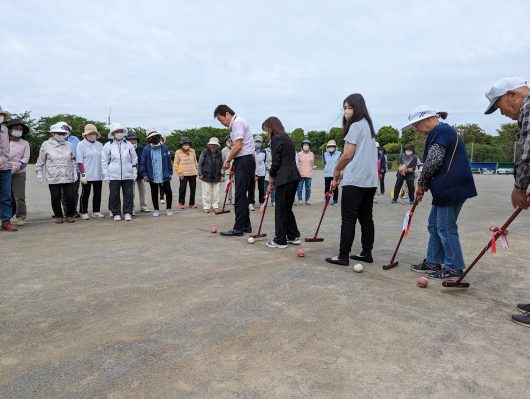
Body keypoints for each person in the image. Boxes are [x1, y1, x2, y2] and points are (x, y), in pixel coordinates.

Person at [405, 105, 476, 280]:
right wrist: (425, 184)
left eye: (417, 125)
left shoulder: (441, 131)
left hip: (451, 187)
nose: (416, 129)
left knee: (445, 227)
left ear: (429, 119)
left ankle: (454, 267)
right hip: (445, 188)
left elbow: (433, 161)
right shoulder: (440, 132)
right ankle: (433, 260)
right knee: (434, 224)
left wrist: (421, 183)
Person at [483, 77, 530, 327]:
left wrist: (520, 187)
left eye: (499, 106)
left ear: (513, 95)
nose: (501, 113)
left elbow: (528, 152)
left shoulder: (529, 108)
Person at [325, 93, 378, 266]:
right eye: (345, 108)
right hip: (369, 182)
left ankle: (343, 255)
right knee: (366, 218)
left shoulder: (355, 126)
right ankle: (366, 252)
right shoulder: (369, 128)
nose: (346, 111)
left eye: (349, 107)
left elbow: (347, 154)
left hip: (355, 180)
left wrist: (337, 170)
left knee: (348, 219)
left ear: (358, 108)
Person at [214, 104, 256, 236]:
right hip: (245, 160)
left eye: (221, 120)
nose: (222, 123)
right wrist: (234, 164)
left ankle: (238, 228)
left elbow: (238, 146)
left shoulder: (237, 122)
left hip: (245, 160)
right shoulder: (237, 123)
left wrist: (227, 161)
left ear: (227, 114)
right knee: (242, 195)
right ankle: (246, 226)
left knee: (239, 196)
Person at [262, 117, 301, 248]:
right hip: (294, 177)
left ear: (271, 128)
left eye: (266, 130)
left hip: (284, 178)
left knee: (280, 209)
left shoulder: (276, 139)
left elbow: (276, 161)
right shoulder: (288, 138)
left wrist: (271, 177)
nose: (266, 133)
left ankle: (280, 240)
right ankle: (293, 235)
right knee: (287, 208)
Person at [35, 123, 78, 223]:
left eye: (63, 133)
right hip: (53, 175)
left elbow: (73, 159)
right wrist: (39, 172)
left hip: (67, 174)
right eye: (59, 133)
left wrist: (75, 172)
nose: (61, 135)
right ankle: (58, 215)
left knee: (70, 196)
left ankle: (70, 214)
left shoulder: (69, 145)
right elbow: (41, 160)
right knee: (55, 197)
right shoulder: (45, 145)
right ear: (53, 134)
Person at [102, 122, 138, 221]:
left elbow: (134, 159)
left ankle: (127, 212)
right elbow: (104, 162)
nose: (119, 133)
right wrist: (106, 175)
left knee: (129, 194)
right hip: (113, 175)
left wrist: (134, 171)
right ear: (113, 133)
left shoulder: (129, 144)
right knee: (114, 195)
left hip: (128, 174)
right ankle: (116, 213)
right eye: (117, 131)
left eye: (120, 131)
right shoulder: (108, 146)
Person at [140, 128, 173, 216]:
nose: (154, 138)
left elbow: (169, 161)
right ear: (149, 139)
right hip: (152, 175)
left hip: (164, 174)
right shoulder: (146, 149)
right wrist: (144, 174)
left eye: (156, 136)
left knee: (168, 191)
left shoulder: (164, 148)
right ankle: (156, 209)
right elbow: (142, 163)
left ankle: (169, 208)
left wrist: (170, 172)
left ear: (159, 137)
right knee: (154, 192)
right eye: (152, 137)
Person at [76, 124, 105, 220]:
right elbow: (79, 161)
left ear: (96, 135)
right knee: (85, 193)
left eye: (93, 133)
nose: (92, 135)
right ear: (86, 135)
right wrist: (82, 174)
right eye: (90, 133)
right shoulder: (81, 144)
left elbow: (103, 159)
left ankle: (96, 211)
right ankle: (83, 211)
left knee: (97, 193)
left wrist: (104, 173)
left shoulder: (100, 145)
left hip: (98, 174)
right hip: (87, 174)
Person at [7, 119, 30, 226]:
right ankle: (4, 217)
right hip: (3, 171)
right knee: (5, 196)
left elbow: (26, 158)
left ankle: (21, 216)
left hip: (19, 172)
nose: (18, 130)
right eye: (16, 128)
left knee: (19, 197)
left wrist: (16, 166)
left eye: (20, 129)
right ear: (10, 129)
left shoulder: (25, 143)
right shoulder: (3, 141)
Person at [58, 121, 81, 218]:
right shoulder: (56, 140)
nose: (65, 130)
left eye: (67, 128)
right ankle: (67, 211)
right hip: (63, 169)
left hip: (76, 169)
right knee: (64, 192)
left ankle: (73, 210)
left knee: (75, 192)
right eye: (63, 128)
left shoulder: (75, 139)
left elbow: (79, 152)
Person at [0, 106, 17, 232]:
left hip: (5, 167)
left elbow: (6, 150)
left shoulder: (5, 129)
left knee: (6, 196)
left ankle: (6, 221)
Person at [198, 137, 224, 213]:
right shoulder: (204, 152)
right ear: (209, 145)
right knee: (206, 192)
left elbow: (222, 165)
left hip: (217, 176)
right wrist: (200, 173)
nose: (213, 146)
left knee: (216, 193)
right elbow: (200, 164)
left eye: (215, 145)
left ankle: (215, 206)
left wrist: (222, 175)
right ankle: (206, 207)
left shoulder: (219, 153)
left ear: (217, 146)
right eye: (211, 144)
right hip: (206, 175)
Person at [127, 130, 150, 214]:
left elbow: (143, 161)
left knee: (143, 191)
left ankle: (143, 206)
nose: (133, 140)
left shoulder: (140, 148)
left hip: (140, 173)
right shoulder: (125, 148)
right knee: (131, 192)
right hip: (130, 173)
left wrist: (144, 173)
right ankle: (131, 208)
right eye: (131, 139)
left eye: (135, 139)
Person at [174, 137, 198, 209]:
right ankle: (181, 203)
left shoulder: (192, 151)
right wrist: (179, 172)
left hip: (193, 173)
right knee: (182, 189)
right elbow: (175, 164)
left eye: (187, 144)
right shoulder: (178, 152)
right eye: (184, 144)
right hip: (183, 174)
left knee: (193, 189)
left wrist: (197, 170)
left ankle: (192, 203)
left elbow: (195, 161)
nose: (186, 145)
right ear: (181, 145)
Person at [249, 135, 266, 210]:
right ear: (254, 142)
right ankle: (251, 202)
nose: (258, 143)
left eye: (259, 142)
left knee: (261, 188)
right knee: (251, 188)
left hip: (261, 173)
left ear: (261, 143)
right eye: (256, 141)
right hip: (252, 172)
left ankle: (262, 202)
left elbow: (264, 162)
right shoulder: (250, 151)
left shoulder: (264, 152)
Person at [296, 139, 314, 205]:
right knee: (299, 188)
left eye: (307, 145)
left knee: (308, 188)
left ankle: (307, 200)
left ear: (309, 146)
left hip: (309, 174)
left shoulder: (312, 154)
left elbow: (312, 164)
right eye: (304, 145)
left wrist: (311, 171)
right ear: (302, 146)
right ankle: (300, 199)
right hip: (300, 174)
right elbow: (297, 163)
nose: (306, 146)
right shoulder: (299, 154)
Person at [323, 139, 341, 205]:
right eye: (329, 146)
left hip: (335, 174)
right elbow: (324, 163)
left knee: (335, 187)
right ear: (327, 147)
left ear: (335, 147)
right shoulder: (325, 154)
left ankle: (335, 200)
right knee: (327, 187)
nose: (331, 147)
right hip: (327, 174)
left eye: (332, 146)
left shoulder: (339, 153)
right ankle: (326, 200)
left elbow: (340, 164)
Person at [221, 137, 234, 204]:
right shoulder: (223, 150)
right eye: (228, 141)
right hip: (227, 171)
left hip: (235, 171)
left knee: (235, 186)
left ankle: (234, 199)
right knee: (228, 186)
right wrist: (222, 173)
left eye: (231, 141)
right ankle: (228, 199)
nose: (230, 142)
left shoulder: (235, 148)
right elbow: (223, 162)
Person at [264, 141, 276, 207]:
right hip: (267, 172)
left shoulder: (277, 150)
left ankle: (273, 201)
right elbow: (264, 161)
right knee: (266, 188)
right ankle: (265, 201)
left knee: (273, 189)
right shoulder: (265, 151)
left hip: (275, 172)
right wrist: (269, 168)